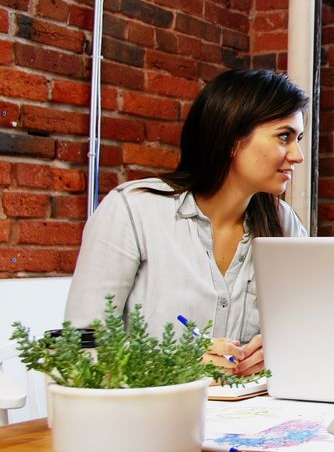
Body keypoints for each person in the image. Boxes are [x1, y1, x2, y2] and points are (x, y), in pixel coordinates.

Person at [65, 69, 309, 377]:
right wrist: (177, 365)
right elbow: (82, 346)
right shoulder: (133, 210)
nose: (297, 155)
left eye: (297, 139)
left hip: (251, 416)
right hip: (154, 417)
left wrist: (277, 350)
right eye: (284, 137)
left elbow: (307, 331)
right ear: (232, 139)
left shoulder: (283, 224)